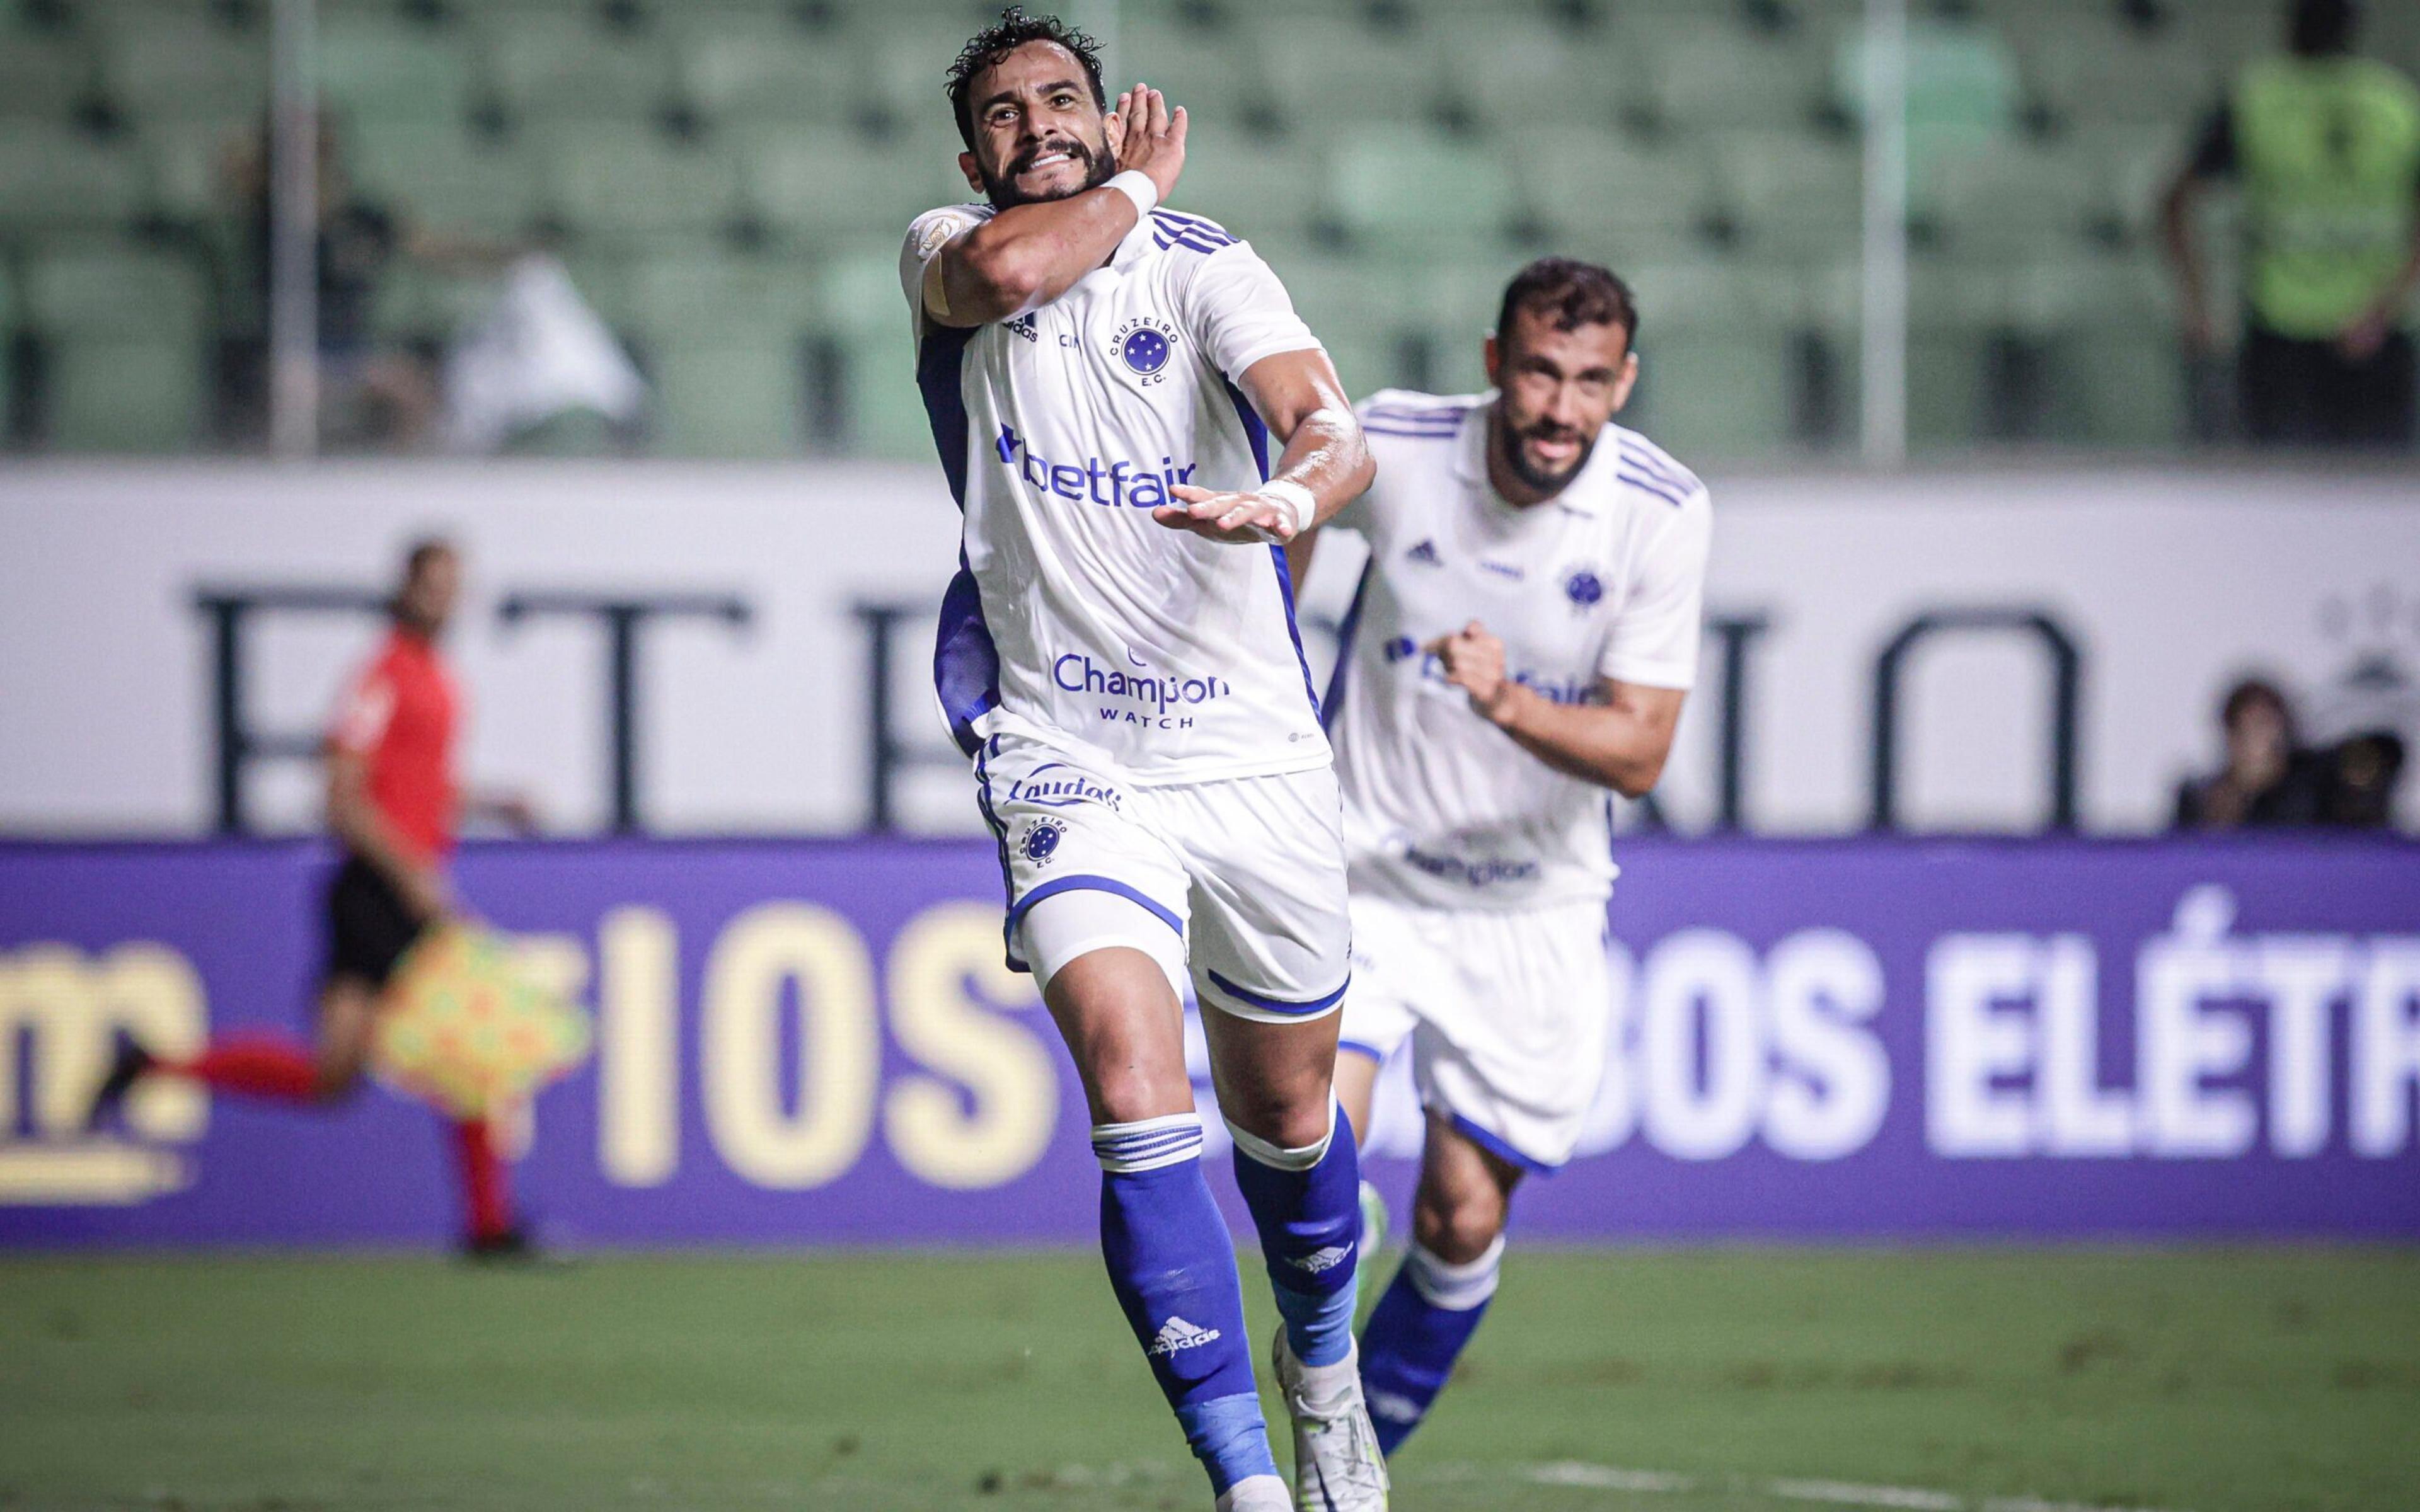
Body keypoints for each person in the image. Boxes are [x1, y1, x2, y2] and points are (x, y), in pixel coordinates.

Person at [902, 10, 1385, 1509]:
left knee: (1295, 1123)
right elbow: (1006, 270)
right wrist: (1129, 190)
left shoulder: (1199, 264)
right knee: (1128, 1070)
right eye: (1003, 110)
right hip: (1065, 748)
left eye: (1063, 98)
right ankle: (1243, 1480)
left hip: (1248, 755)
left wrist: (1288, 500)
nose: (1033, 123)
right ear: (966, 150)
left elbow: (1329, 424)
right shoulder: (942, 253)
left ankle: (1321, 1371)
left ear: (1110, 115)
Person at [1289, 259, 1710, 1457]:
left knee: (1464, 1218)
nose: (1558, 407)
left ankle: (1352, 1452)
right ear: (1494, 364)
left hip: (1532, 908)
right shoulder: (1400, 443)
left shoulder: (1659, 512)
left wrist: (1507, 701)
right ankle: (1323, 1332)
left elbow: (1638, 755)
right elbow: (1295, 503)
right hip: (1360, 877)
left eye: (1588, 381)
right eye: (1538, 371)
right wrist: (1270, 633)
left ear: (1622, 384)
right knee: (1315, 1143)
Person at [88, 539, 541, 1257]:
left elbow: (418, 791)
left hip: (397, 889)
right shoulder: (381, 676)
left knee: (334, 1077)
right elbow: (345, 798)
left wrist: (491, 803)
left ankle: (153, 1066)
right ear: (407, 588)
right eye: (434, 583)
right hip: (378, 891)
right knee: (475, 1046)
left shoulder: (438, 679)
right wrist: (411, 876)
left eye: (456, 584)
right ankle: (489, 1227)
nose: (446, 597)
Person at [2162, 0, 2420, 447]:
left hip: (2279, 329)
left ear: (2287, 26)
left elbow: (2173, 203)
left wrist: (2199, 306)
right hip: (2372, 332)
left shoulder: (2253, 98)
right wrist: (2385, 306)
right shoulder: (2398, 102)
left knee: (2276, 499)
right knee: (2380, 501)